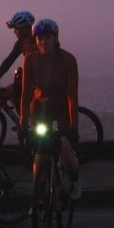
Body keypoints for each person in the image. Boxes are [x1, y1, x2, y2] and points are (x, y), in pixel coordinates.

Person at [19, 17, 81, 195]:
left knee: (66, 151)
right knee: (39, 158)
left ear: (55, 38)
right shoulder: (30, 60)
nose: (43, 42)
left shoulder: (69, 60)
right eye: (39, 38)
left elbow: (72, 96)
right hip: (40, 111)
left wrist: (73, 128)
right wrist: (24, 124)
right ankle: (39, 198)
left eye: (47, 38)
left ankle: (75, 178)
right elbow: (25, 95)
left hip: (62, 111)